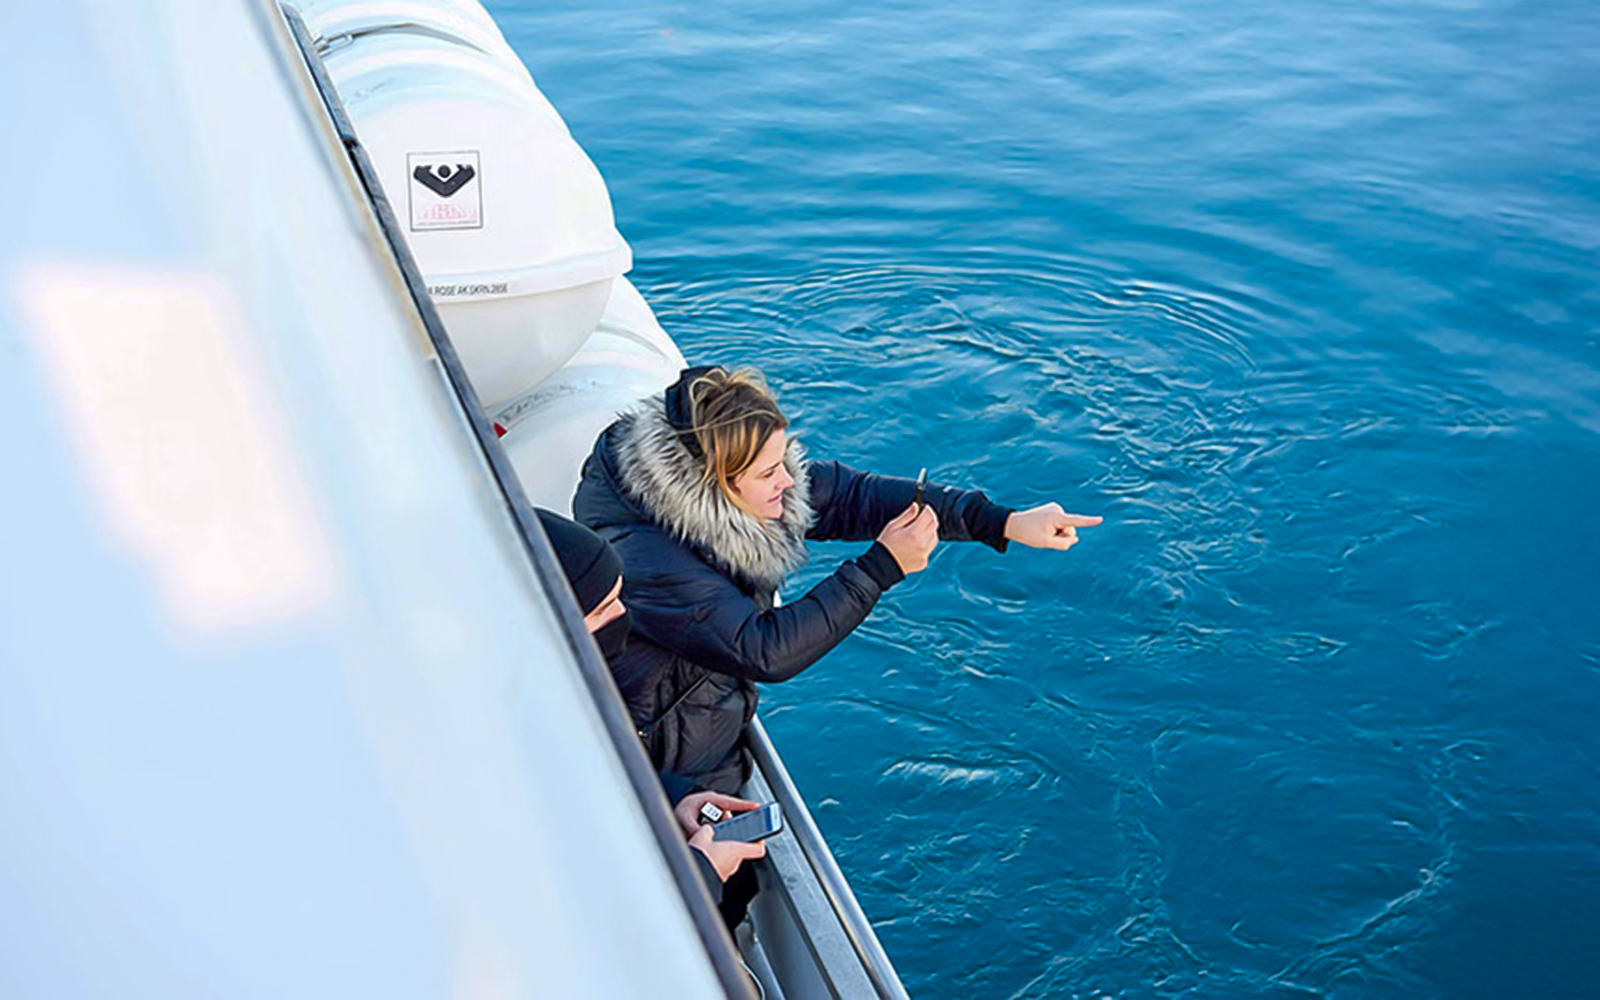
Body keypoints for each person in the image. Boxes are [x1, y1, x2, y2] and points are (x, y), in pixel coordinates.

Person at [572, 366, 1101, 794]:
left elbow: (855, 497)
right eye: (768, 474)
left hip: (704, 721)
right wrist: (882, 567)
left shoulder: (734, 491)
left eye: (784, 460)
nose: (787, 481)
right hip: (659, 763)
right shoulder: (646, 556)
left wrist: (1003, 522)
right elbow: (762, 649)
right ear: (712, 483)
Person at [535, 507, 767, 905]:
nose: (622, 615)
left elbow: (597, 775)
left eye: (619, 597)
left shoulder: (548, 694)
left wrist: (674, 798)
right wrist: (702, 871)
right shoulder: (511, 747)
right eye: (602, 609)